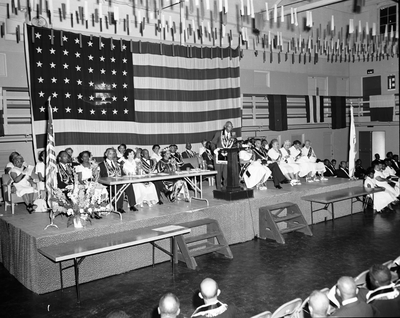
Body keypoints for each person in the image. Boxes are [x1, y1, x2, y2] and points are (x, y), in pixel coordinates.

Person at [98, 148, 137, 213]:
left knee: (129, 185)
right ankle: (118, 207)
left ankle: (132, 205)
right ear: (106, 154)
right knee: (119, 186)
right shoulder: (102, 165)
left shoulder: (116, 164)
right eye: (110, 153)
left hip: (118, 181)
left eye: (113, 153)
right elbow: (103, 177)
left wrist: (127, 176)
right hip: (109, 184)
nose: (112, 155)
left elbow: (122, 174)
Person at [211, 121, 236, 190]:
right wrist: (214, 150)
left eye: (231, 127)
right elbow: (212, 143)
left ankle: (225, 187)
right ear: (225, 126)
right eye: (228, 126)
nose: (230, 128)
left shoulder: (232, 135)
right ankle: (218, 189)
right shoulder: (219, 134)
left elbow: (233, 145)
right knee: (218, 174)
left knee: (226, 174)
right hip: (218, 156)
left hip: (227, 156)